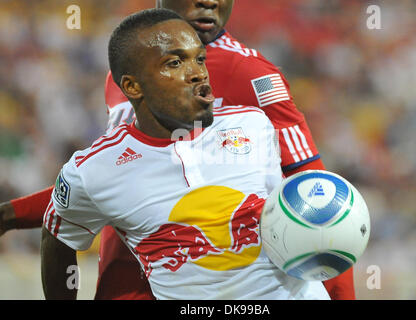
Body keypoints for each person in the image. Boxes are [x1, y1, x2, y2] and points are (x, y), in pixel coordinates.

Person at [1, 0, 355, 299]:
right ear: (132, 85)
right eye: (175, 63)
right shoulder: (127, 66)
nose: (210, 0)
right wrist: (14, 213)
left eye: (199, 61)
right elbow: (117, 172)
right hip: (137, 274)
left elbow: (319, 201)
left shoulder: (251, 80)